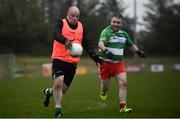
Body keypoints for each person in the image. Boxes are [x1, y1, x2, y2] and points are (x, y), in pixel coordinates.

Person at [43, 6, 103, 117]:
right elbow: (56, 34)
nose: (75, 18)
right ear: (68, 14)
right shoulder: (60, 23)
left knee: (63, 89)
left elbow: (87, 44)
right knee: (58, 83)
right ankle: (58, 110)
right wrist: (65, 40)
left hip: (72, 62)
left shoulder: (81, 27)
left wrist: (95, 57)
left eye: (77, 16)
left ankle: (48, 92)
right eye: (73, 16)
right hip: (59, 59)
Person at [97, 14, 145, 113]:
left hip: (119, 64)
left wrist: (139, 52)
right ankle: (103, 91)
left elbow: (131, 45)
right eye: (114, 22)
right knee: (105, 87)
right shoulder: (106, 31)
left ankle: (122, 107)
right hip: (105, 64)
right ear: (111, 22)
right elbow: (100, 44)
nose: (115, 24)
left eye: (118, 22)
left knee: (123, 83)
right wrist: (106, 51)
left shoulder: (124, 34)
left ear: (121, 24)